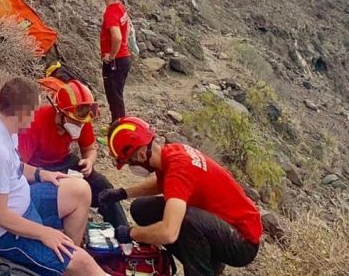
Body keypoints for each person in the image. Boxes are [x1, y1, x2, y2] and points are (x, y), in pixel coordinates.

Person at [0, 76, 107, 276]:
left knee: (80, 190)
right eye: (32, 113)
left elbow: (15, 166)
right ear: (21, 113)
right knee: (85, 264)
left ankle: (63, 261)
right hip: (5, 233)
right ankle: (71, 261)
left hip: (24, 202)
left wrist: (42, 174)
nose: (34, 119)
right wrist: (44, 233)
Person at [98, 116, 262, 276]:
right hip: (219, 224)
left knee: (185, 219)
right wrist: (123, 193)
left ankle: (202, 270)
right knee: (142, 208)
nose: (131, 167)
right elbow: (161, 183)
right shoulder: (171, 153)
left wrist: (131, 233)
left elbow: (169, 232)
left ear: (140, 155)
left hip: (242, 242)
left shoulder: (178, 172)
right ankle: (208, 260)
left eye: (129, 162)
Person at [18, 80, 128, 231]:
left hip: (65, 161)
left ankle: (123, 233)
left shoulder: (83, 120)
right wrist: (41, 174)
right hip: (38, 167)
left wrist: (89, 161)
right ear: (60, 112)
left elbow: (90, 149)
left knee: (102, 185)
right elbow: (19, 166)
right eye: (74, 121)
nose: (79, 126)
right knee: (51, 196)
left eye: (81, 123)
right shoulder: (35, 122)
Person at [98, 0, 131, 124]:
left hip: (115, 62)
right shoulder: (119, 7)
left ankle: (118, 128)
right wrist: (122, 45)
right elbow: (127, 27)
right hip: (123, 58)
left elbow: (116, 37)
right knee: (117, 96)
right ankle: (117, 125)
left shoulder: (111, 12)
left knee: (114, 98)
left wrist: (111, 56)